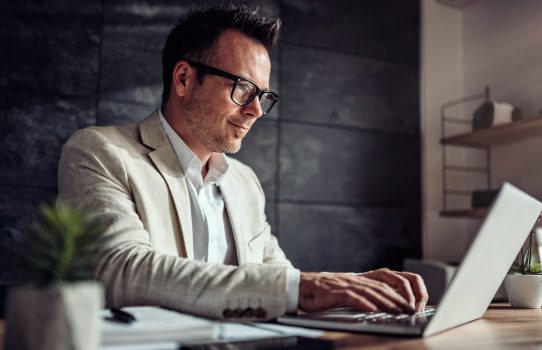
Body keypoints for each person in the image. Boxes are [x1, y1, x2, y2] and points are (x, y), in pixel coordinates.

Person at [58, 3, 428, 320]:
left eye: (262, 95)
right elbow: (122, 272)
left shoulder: (244, 182)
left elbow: (278, 278)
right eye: (242, 89)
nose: (255, 110)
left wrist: (358, 285)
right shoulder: (99, 152)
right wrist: (313, 287)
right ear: (185, 79)